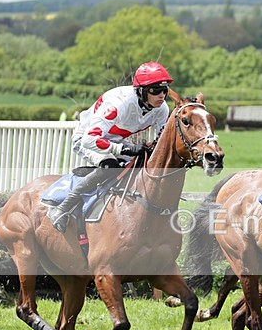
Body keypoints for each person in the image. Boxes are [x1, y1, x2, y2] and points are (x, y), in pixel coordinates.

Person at [47, 61, 173, 233]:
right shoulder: (118, 104)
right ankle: (62, 208)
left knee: (143, 162)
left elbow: (161, 141)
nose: (162, 95)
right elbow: (89, 139)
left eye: (165, 90)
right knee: (111, 166)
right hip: (87, 138)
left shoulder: (161, 109)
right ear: (141, 91)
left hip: (116, 139)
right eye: (155, 90)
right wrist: (124, 150)